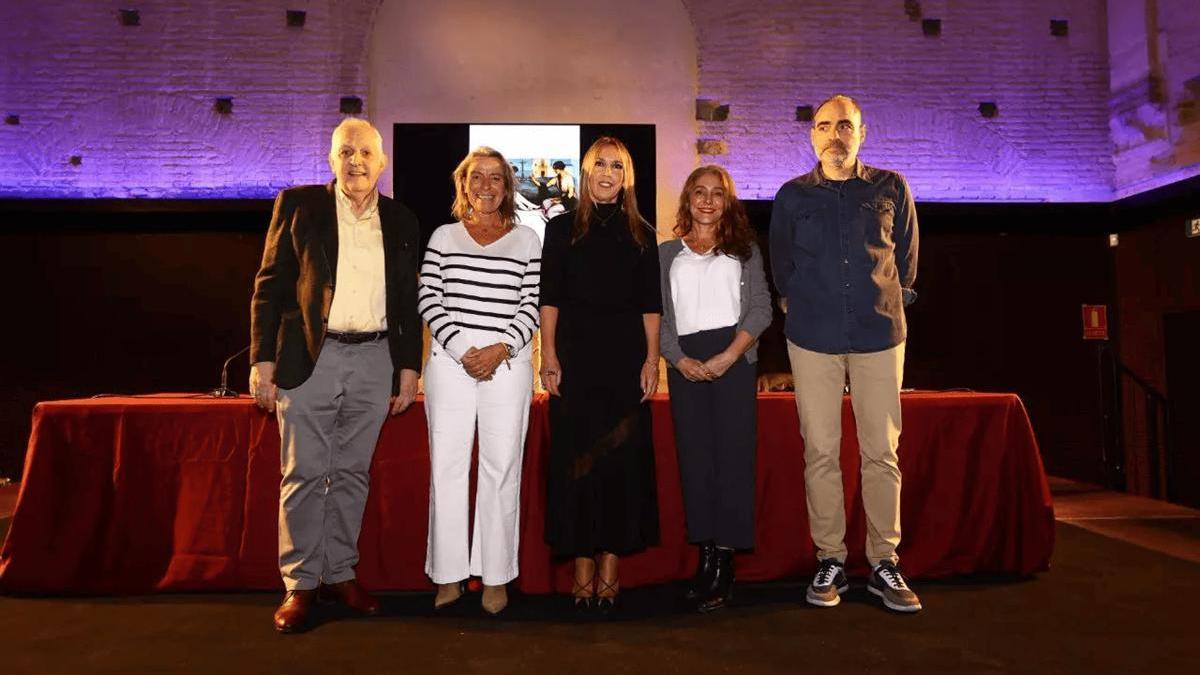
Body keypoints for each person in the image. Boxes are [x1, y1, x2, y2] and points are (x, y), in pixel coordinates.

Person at [249, 118, 422, 632]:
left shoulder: (403, 219)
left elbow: (408, 303)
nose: (356, 162)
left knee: (351, 473)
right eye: (346, 152)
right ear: (331, 159)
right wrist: (262, 362)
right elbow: (269, 284)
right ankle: (300, 584)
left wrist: (409, 367)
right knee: (303, 474)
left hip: (375, 361)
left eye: (366, 153)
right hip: (309, 359)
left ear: (382, 161)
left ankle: (340, 574)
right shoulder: (299, 206)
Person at [768, 94, 921, 613]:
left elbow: (906, 260)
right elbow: (781, 265)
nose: (835, 135)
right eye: (824, 126)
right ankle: (830, 558)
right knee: (821, 452)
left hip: (881, 334)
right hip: (812, 337)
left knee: (882, 453)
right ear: (812, 135)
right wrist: (802, 304)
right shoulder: (791, 196)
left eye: (845, 126)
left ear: (863, 132)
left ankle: (884, 563)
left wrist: (888, 303)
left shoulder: (891, 187)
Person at [539, 136, 662, 617]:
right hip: (575, 361)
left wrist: (652, 360)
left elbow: (651, 305)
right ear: (586, 172)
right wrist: (548, 355)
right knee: (578, 466)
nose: (608, 173)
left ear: (626, 176)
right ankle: (582, 570)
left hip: (624, 363)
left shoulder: (642, 234)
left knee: (620, 467)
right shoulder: (560, 229)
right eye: (599, 165)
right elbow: (548, 299)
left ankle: (611, 569)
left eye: (617, 166)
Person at [418, 147, 541, 616]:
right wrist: (460, 349)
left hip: (506, 366)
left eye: (496, 178)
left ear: (507, 186)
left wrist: (500, 349)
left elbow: (532, 303)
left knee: (501, 468)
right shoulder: (443, 236)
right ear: (463, 184)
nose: (486, 186)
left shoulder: (528, 239)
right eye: (477, 177)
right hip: (450, 365)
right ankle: (448, 574)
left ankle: (495, 576)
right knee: (447, 468)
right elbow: (428, 296)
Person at [659, 165, 772, 612]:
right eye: (699, 193)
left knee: (732, 461)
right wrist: (679, 359)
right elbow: (658, 318)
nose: (707, 201)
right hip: (684, 363)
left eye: (717, 194)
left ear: (728, 203)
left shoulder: (744, 252)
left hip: (734, 360)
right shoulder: (667, 254)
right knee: (695, 462)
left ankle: (726, 566)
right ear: (687, 200)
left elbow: (761, 310)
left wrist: (728, 356)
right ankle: (704, 558)